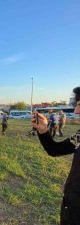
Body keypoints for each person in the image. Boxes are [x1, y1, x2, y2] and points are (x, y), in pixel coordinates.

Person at [32, 86, 80, 224]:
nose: (76, 111)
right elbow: (55, 150)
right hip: (71, 207)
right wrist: (43, 131)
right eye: (77, 105)